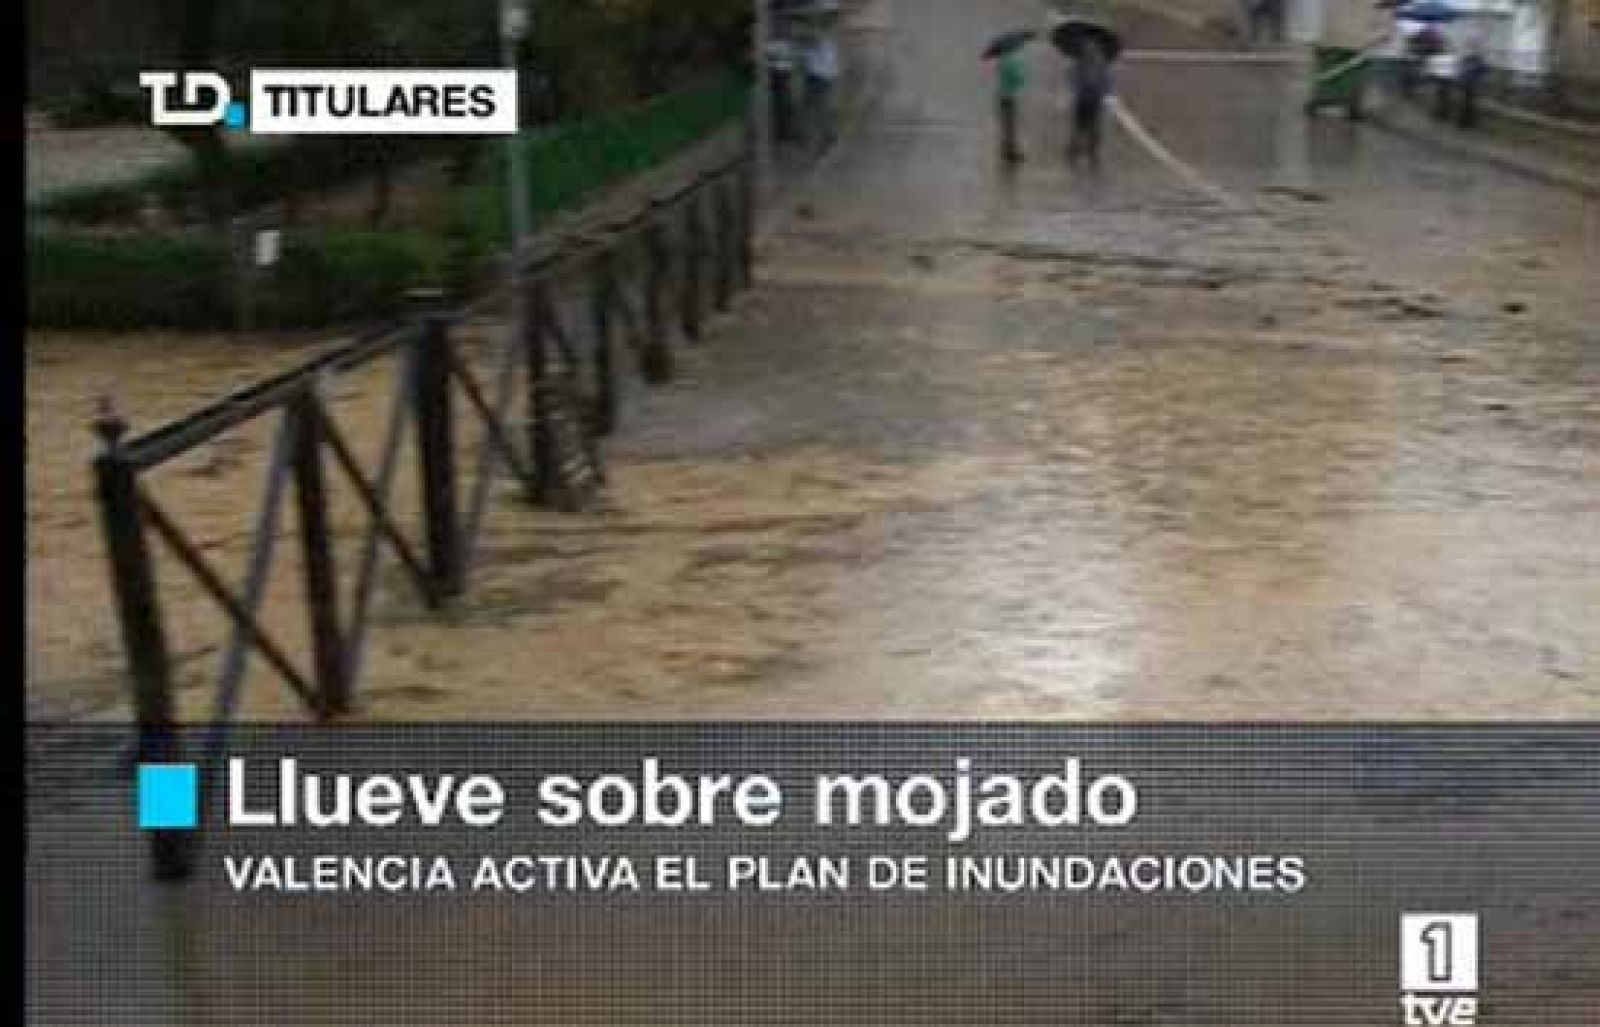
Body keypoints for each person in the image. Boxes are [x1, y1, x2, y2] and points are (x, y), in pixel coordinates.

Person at [1067, 39, 1113, 170]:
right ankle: (1084, 149)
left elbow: (1072, 77)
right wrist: (1106, 92)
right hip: (1089, 98)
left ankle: (1082, 149)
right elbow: (1106, 80)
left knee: (1085, 125)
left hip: (1088, 98)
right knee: (1088, 125)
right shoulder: (1096, 62)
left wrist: (1105, 91)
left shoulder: (1083, 62)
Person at [802, 29, 841, 149]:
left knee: (821, 109)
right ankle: (823, 136)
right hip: (820, 78)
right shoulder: (823, 44)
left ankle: (826, 136)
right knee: (819, 109)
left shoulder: (823, 44)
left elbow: (829, 64)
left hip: (821, 78)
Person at [996, 48, 1027, 163]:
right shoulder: (1010, 61)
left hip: (1003, 96)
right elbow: (1017, 79)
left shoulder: (1002, 60)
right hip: (1009, 97)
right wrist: (1021, 77)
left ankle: (1006, 151)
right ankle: (1010, 152)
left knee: (1007, 125)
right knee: (1010, 125)